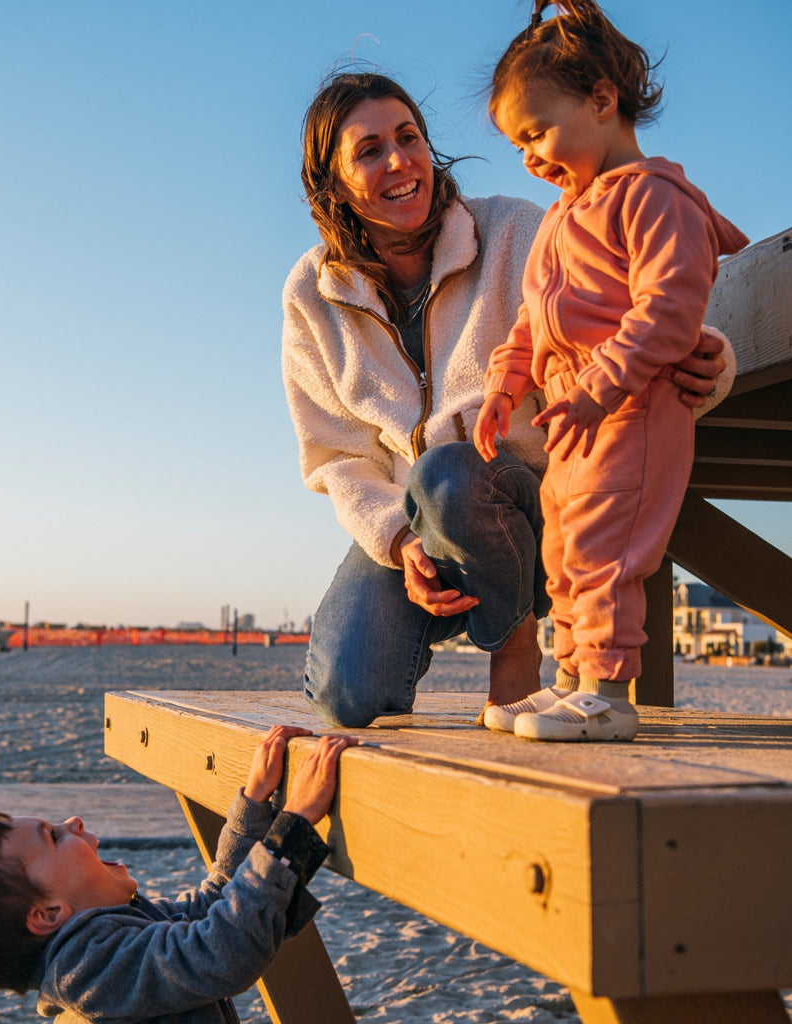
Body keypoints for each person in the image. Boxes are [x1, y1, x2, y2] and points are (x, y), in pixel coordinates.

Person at [283, 70, 728, 729]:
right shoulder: (312, 295)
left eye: (409, 137)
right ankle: (476, 595)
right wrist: (402, 541)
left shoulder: (518, 230)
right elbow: (336, 456)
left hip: (543, 499)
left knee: (450, 470)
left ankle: (516, 633)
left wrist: (711, 355)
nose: (400, 161)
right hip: (418, 519)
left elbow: (638, 308)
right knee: (348, 695)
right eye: (370, 150)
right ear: (332, 186)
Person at [474, 0, 748, 741]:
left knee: (608, 545)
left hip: (632, 405)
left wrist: (598, 390)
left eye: (537, 131)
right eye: (517, 144)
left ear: (602, 100)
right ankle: (569, 681)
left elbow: (668, 310)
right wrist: (506, 385)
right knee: (562, 546)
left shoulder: (656, 199)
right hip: (575, 413)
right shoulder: (563, 215)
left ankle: (607, 694)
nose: (529, 156)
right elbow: (532, 317)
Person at [0, 727, 357, 1023]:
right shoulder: (90, 969)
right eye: (54, 838)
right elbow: (221, 949)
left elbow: (211, 907)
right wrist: (295, 821)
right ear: (49, 912)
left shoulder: (107, 938)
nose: (73, 822)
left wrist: (255, 805)